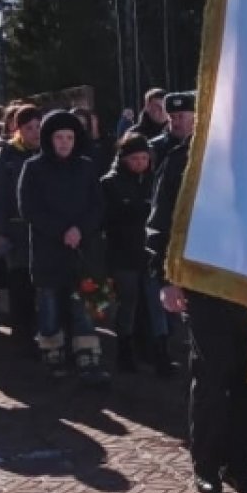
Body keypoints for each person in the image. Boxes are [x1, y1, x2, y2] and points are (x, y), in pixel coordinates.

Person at [146, 129, 247, 493]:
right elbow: (160, 219)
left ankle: (241, 467)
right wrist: (165, 277)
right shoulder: (183, 158)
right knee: (212, 378)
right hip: (205, 283)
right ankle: (207, 466)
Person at [17, 109, 109, 384]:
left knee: (84, 305)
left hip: (82, 250)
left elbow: (98, 205)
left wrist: (80, 229)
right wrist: (61, 231)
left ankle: (87, 357)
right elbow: (28, 208)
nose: (64, 143)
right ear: (49, 138)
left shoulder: (86, 166)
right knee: (50, 304)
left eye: (69, 137)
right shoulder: (33, 168)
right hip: (49, 250)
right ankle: (52, 353)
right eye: (59, 137)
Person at [101, 133, 174, 375]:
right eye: (135, 158)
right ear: (123, 159)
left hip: (150, 254)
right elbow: (109, 219)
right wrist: (136, 211)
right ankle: (124, 351)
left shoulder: (155, 180)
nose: (141, 163)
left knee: (156, 303)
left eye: (144, 158)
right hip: (124, 253)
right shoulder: (110, 183)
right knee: (128, 303)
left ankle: (162, 353)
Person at [0, 105, 42, 355]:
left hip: (42, 232)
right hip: (16, 231)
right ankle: (22, 335)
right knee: (20, 285)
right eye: (29, 128)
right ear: (17, 129)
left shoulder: (47, 152)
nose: (35, 133)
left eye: (38, 127)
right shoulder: (6, 157)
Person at [149, 91, 195, 172]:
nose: (176, 122)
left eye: (181, 117)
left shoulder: (204, 147)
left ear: (194, 117)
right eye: (172, 117)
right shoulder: (154, 148)